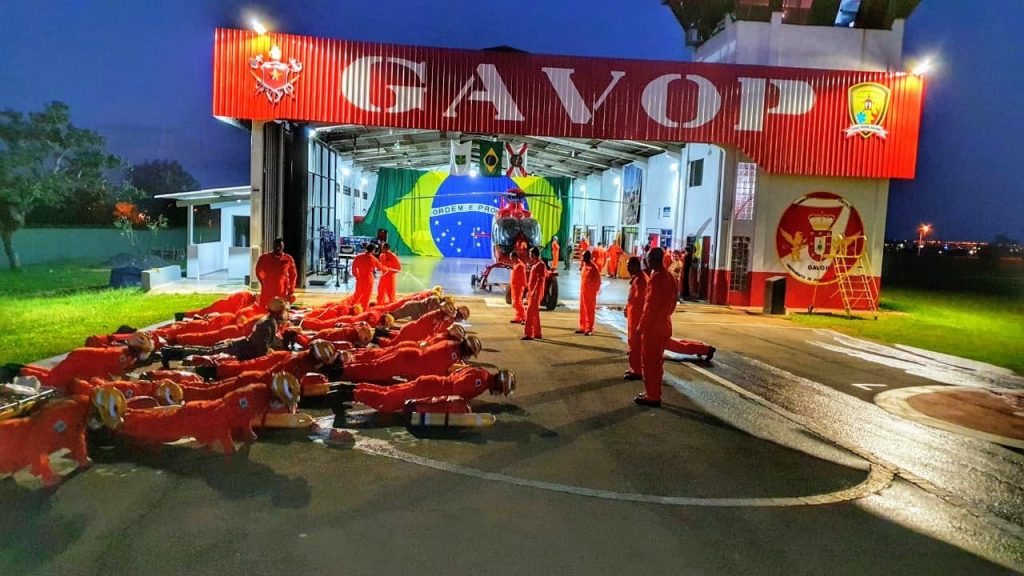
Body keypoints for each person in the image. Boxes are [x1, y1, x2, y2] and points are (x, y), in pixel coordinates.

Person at [634, 247, 676, 408]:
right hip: (663, 324)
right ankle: (653, 393)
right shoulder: (669, 277)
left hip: (653, 328)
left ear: (654, 260)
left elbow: (650, 307)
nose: (647, 261)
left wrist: (641, 326)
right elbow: (673, 302)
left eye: (649, 259)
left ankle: (652, 395)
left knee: (650, 362)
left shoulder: (657, 278)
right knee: (656, 362)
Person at [255, 238, 297, 308]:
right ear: (273, 246)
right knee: (264, 308)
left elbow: (293, 275)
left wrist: (291, 290)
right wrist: (263, 281)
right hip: (268, 288)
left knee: (281, 308)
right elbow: (258, 270)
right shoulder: (264, 258)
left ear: (283, 247)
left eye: (280, 246)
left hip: (282, 289)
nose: (277, 248)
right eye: (276, 246)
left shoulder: (288, 258)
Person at [623, 256, 647, 381]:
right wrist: (627, 308)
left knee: (636, 344)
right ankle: (634, 368)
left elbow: (643, 302)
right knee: (633, 343)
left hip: (638, 319)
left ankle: (638, 370)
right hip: (633, 317)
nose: (627, 268)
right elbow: (632, 298)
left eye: (628, 266)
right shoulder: (637, 279)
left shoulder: (642, 281)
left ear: (635, 266)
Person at [351, 242, 383, 311]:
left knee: (356, 295)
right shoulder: (373, 258)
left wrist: (357, 276)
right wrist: (389, 269)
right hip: (369, 280)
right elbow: (380, 267)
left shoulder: (358, 257)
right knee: (366, 297)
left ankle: (351, 309)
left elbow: (353, 268)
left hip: (360, 279)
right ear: (373, 250)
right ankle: (363, 311)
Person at [523, 247, 545, 340]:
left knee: (530, 313)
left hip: (535, 293)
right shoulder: (535, 264)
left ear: (535, 255)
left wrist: (534, 291)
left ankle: (529, 333)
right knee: (535, 313)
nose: (530, 256)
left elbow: (540, 280)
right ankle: (537, 333)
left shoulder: (540, 265)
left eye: (531, 254)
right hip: (532, 292)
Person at [576, 250, 601, 335]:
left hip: (590, 293)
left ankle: (589, 328)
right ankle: (582, 327)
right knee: (582, 310)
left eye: (584, 256)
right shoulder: (584, 266)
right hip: (583, 291)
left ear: (588, 257)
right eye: (582, 256)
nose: (582, 258)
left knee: (589, 310)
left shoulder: (593, 267)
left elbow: (598, 281)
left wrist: (593, 291)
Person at [509, 251, 527, 324]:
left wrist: (523, 286)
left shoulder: (520, 266)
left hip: (518, 287)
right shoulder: (515, 264)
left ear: (515, 257)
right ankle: (518, 317)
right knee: (515, 303)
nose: (510, 259)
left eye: (511, 257)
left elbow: (523, 277)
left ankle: (524, 317)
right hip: (514, 287)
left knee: (517, 302)